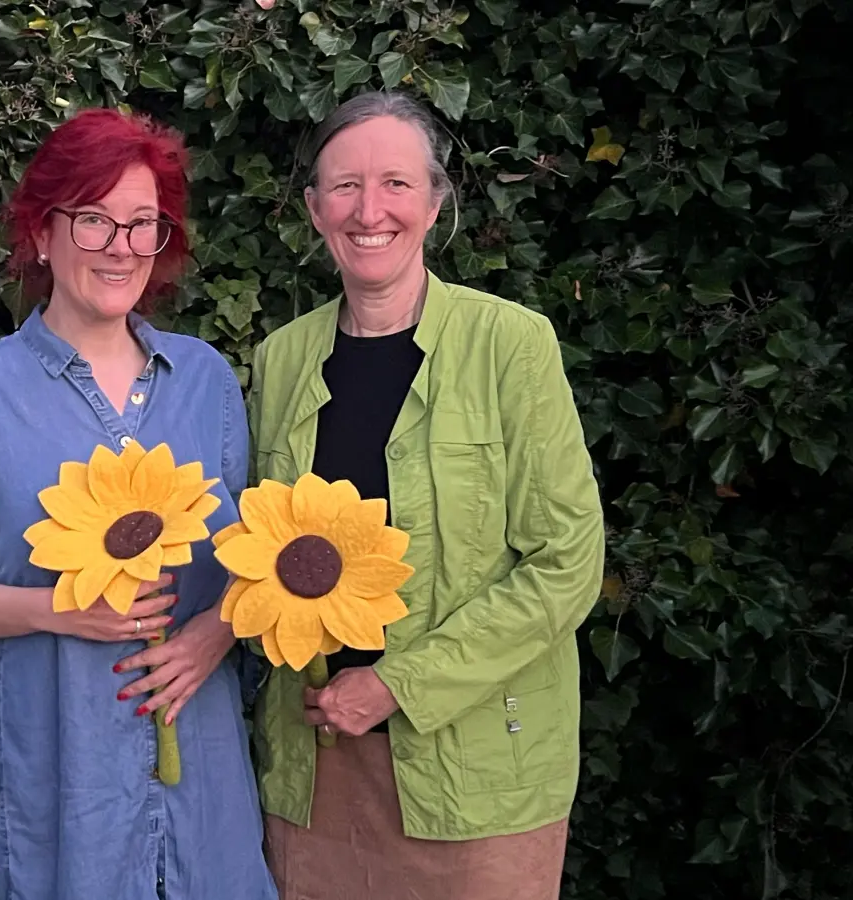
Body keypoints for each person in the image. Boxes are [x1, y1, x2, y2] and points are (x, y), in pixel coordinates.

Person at [0, 108, 277, 900]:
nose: (121, 247)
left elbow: (251, 557)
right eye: (95, 219)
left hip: (202, 761)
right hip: (62, 761)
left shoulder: (207, 381)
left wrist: (214, 633)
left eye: (144, 224)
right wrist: (57, 611)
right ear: (42, 233)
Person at [246, 90, 605, 899]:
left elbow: (567, 565)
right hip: (316, 766)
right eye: (344, 186)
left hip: (478, 773)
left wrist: (397, 685)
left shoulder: (511, 344)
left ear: (436, 200)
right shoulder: (281, 360)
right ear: (313, 209)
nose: (369, 210)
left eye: (397, 184)